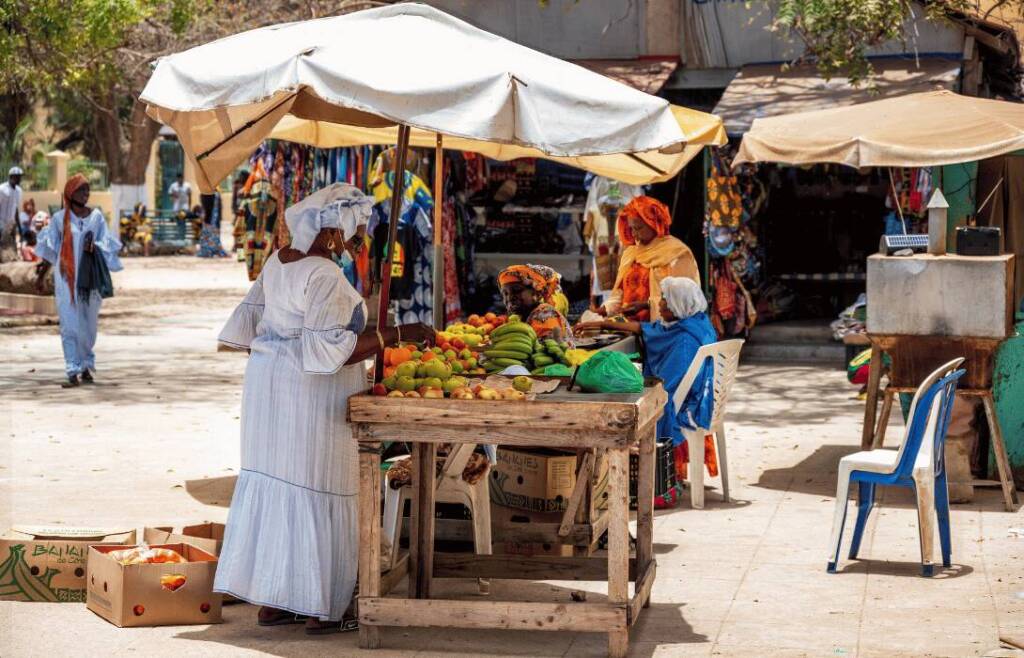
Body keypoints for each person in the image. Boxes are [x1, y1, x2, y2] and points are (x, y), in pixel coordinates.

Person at [215, 188, 434, 634]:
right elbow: (330, 350)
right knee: (319, 486)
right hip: (310, 395)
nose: (357, 244)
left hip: (268, 387)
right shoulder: (327, 275)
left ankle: (274, 601)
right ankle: (320, 606)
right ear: (332, 230)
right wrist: (399, 333)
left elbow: (256, 321)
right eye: (353, 235)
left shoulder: (279, 260)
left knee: (281, 485)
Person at [577, 277, 717, 447]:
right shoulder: (694, 322)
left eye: (665, 298)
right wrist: (601, 323)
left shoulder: (685, 341)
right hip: (699, 397)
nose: (660, 303)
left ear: (678, 303)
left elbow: (665, 389)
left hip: (687, 406)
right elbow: (644, 328)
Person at [35, 174, 123, 388]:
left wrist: (96, 247)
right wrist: (41, 276)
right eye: (82, 190)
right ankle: (72, 369)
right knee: (69, 324)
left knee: (89, 325)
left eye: (88, 190)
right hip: (66, 279)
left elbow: (107, 244)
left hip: (89, 279)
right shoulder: (59, 219)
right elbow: (51, 249)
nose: (86, 194)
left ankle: (86, 365)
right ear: (70, 193)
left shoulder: (96, 218)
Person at [600, 196, 700, 321]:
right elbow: (619, 294)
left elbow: (685, 300)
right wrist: (602, 310)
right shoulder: (631, 253)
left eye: (638, 228)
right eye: (631, 228)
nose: (634, 234)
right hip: (628, 328)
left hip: (661, 332)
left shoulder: (677, 253)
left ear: (654, 224)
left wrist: (646, 305)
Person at [497, 263, 573, 344]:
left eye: (517, 290)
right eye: (505, 293)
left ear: (538, 293)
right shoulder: (525, 316)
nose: (509, 297)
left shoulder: (545, 315)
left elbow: (547, 352)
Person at [0, 166, 23, 263]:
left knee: (11, 247)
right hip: (1, 223)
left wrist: (19, 227)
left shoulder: (19, 191)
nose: (19, 179)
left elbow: (16, 209)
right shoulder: (2, 189)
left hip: (11, 225)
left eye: (20, 176)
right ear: (11, 177)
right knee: (1, 247)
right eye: (17, 176)